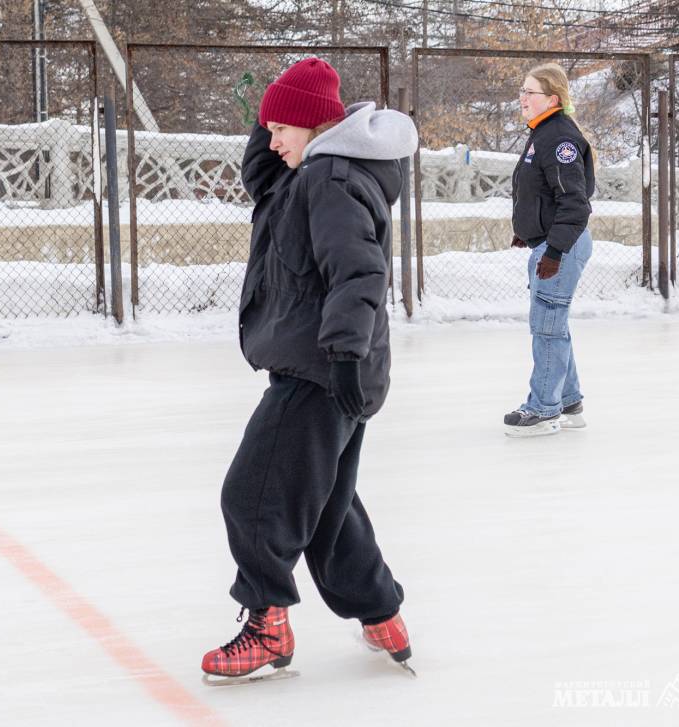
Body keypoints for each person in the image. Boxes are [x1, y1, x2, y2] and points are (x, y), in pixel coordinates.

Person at [200, 58, 419, 683]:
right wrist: (275, 115)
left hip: (324, 370)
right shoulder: (308, 171)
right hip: (326, 365)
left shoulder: (329, 178)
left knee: (253, 496)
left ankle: (267, 625)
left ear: (312, 126)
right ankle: (381, 614)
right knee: (325, 506)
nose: (271, 142)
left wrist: (345, 355)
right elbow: (264, 177)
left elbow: (360, 272)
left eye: (282, 129)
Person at [506, 62, 595, 436]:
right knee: (552, 324)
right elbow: (541, 192)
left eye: (530, 92)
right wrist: (529, 230)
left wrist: (554, 251)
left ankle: (544, 409)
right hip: (549, 242)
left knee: (547, 327)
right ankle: (569, 400)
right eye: (522, 91)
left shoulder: (558, 139)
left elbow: (574, 203)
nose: (522, 98)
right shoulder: (542, 132)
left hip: (562, 247)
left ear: (552, 99)